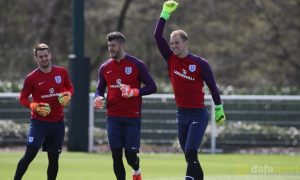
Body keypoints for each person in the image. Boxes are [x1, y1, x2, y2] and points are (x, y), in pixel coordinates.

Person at [154, 1, 226, 180]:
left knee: (191, 152)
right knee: (188, 155)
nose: (173, 46)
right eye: (171, 43)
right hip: (181, 114)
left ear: (185, 43)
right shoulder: (170, 59)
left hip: (197, 114)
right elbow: (157, 36)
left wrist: (219, 108)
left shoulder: (200, 64)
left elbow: (213, 87)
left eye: (177, 42)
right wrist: (164, 14)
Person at [94, 32, 157, 180]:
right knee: (116, 154)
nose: (111, 49)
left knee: (130, 155)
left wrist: (134, 92)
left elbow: (152, 87)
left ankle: (136, 170)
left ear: (121, 45)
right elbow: (100, 88)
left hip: (132, 116)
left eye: (113, 46)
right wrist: (98, 97)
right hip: (113, 117)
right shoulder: (105, 67)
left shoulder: (137, 64)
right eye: (109, 46)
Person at [14, 43, 74, 180]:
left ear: (50, 55)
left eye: (46, 55)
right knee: (30, 154)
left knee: (53, 159)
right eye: (40, 57)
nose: (44, 59)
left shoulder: (61, 72)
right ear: (36, 58)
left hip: (57, 123)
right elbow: (23, 98)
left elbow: (69, 87)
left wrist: (68, 95)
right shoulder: (31, 78)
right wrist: (34, 106)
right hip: (39, 123)